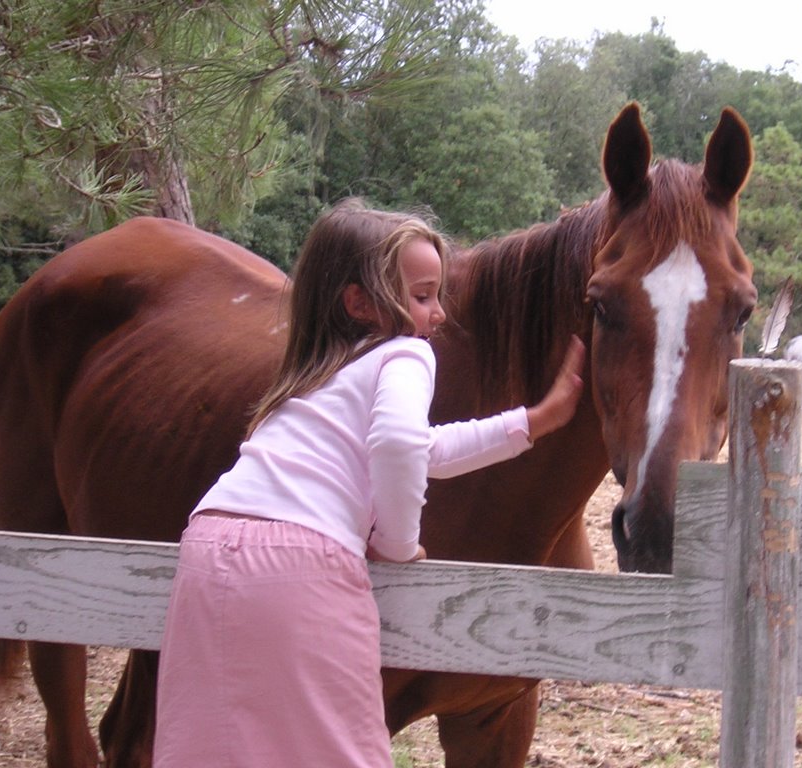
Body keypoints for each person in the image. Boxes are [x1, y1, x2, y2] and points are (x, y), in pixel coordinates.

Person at [152, 198, 585, 768]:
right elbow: (400, 445)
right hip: (301, 560)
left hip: (208, 546)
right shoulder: (406, 353)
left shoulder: (316, 377)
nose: (438, 316)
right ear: (360, 303)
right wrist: (399, 542)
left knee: (212, 746)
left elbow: (423, 445)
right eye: (423, 296)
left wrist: (530, 423)